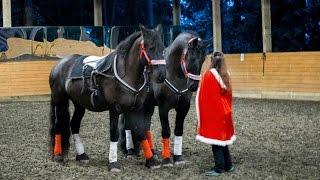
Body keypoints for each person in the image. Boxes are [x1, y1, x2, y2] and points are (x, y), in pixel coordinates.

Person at [195, 52, 236, 176]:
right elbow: (228, 95)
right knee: (223, 141)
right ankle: (228, 165)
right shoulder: (226, 75)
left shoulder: (209, 76)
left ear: (211, 61)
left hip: (215, 113)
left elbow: (204, 96)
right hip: (225, 112)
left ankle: (219, 168)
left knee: (216, 142)